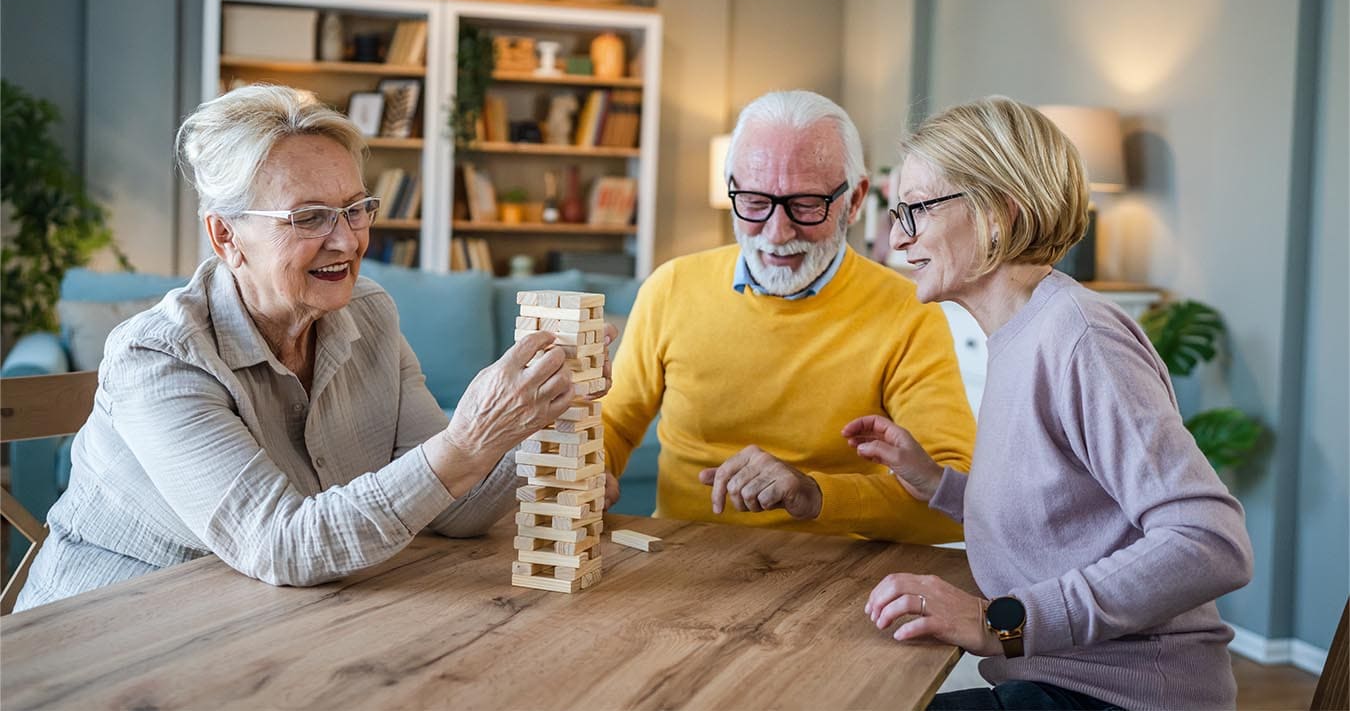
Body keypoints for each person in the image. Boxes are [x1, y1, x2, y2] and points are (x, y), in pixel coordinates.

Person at [16, 85, 611, 610]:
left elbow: (456, 511)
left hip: (264, 620)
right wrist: (469, 438)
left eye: (355, 209)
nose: (347, 241)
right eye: (309, 218)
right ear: (226, 235)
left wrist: (541, 417)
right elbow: (283, 546)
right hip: (108, 635)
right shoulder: (159, 358)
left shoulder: (370, 314)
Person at [848, 96, 1254, 709]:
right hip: (1051, 681)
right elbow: (1063, 519)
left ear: (997, 215)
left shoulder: (1080, 337)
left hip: (1121, 697)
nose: (896, 238)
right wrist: (935, 482)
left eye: (916, 210)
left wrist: (999, 621)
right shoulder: (1019, 335)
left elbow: (1210, 542)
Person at [601, 90, 975, 543]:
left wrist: (816, 496)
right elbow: (615, 424)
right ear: (732, 187)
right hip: (680, 562)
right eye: (756, 203)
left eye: (806, 205)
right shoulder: (671, 286)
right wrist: (586, 472)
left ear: (854, 200)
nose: (778, 234)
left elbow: (955, 505)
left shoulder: (909, 313)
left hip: (831, 579)